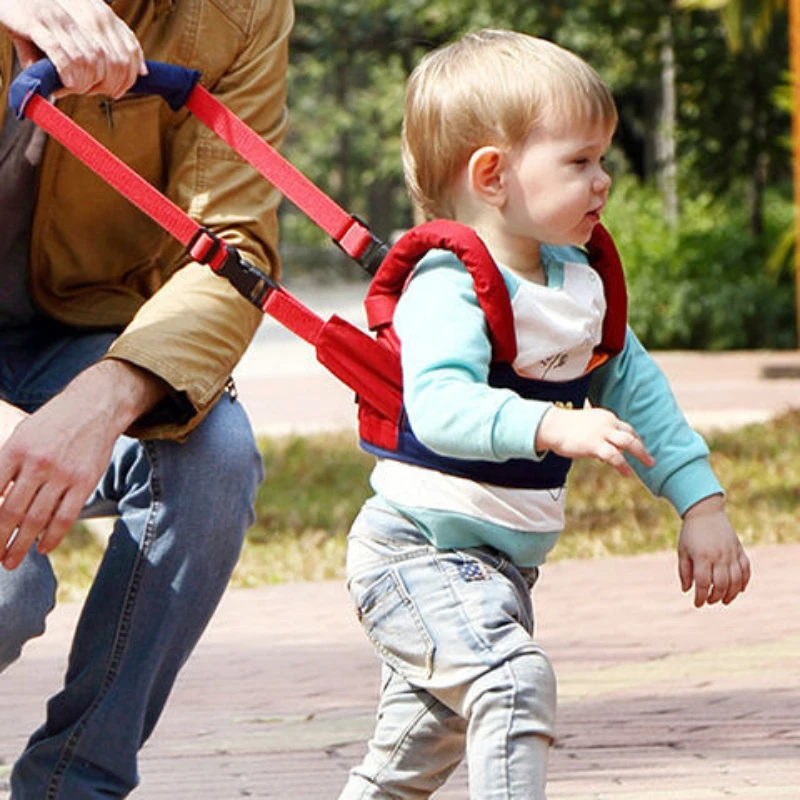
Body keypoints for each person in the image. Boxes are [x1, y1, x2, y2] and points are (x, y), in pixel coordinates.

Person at [338, 29, 752, 800]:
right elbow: (440, 408)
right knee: (514, 683)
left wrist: (702, 503)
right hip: (416, 554)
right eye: (579, 161)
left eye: (603, 159)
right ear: (493, 175)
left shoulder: (574, 282)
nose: (603, 181)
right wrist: (553, 424)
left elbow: (640, 392)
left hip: (499, 570)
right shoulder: (448, 288)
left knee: (410, 758)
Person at [0, 0, 293, 795]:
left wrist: (112, 393)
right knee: (9, 583)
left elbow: (233, 244)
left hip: (86, 325)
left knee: (213, 457)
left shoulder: (241, 13)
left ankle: (74, 781)